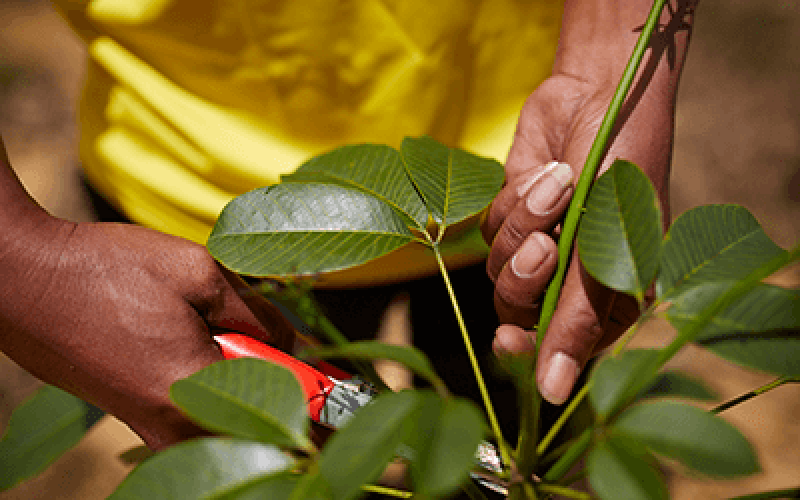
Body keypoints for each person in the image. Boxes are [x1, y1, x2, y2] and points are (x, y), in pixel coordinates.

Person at [0, 0, 695, 451]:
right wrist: (18, 259)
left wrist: (615, 49)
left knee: (519, 428)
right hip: (189, 198)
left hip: (526, 185)